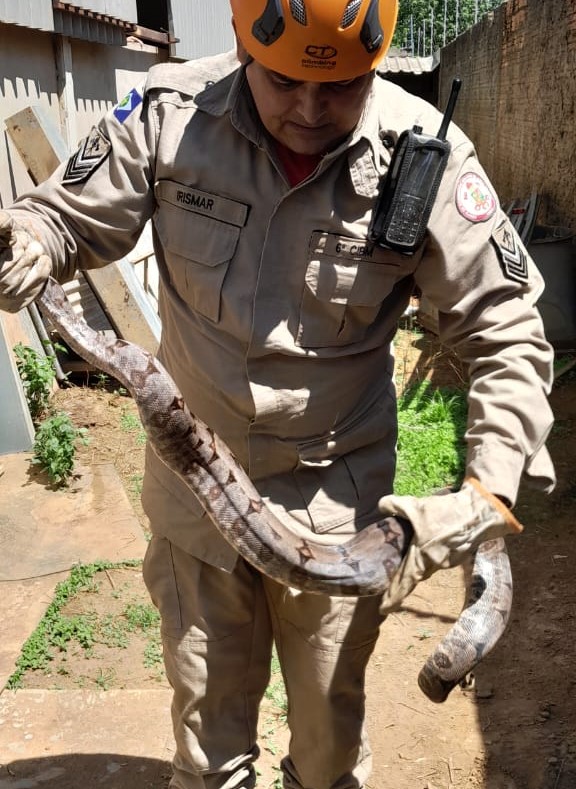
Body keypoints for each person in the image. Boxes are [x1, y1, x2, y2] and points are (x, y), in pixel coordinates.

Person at [0, 1, 555, 787]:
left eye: (343, 86)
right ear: (239, 45)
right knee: (208, 748)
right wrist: (30, 240)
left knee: (329, 757)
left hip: (337, 516)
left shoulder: (422, 156)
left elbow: (505, 327)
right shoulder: (167, 115)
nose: (310, 109)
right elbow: (64, 217)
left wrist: (490, 487)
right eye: (287, 80)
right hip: (198, 504)